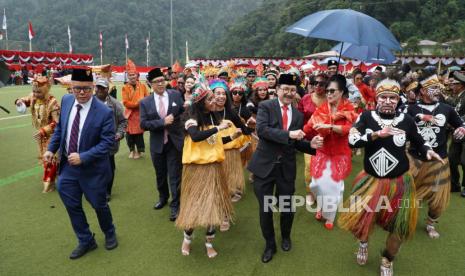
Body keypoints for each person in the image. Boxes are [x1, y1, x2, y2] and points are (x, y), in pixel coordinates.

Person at [338, 78, 442, 275]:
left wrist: (428, 150)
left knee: (400, 227)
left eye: (392, 98)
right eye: (383, 97)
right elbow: (352, 141)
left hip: (400, 183)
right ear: (377, 99)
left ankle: (387, 259)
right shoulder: (366, 117)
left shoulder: (406, 120)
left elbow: (420, 140)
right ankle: (363, 243)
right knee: (364, 221)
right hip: (370, 181)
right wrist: (376, 135)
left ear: (398, 100)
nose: (387, 101)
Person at [247, 73, 323, 263]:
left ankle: (286, 236)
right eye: (285, 89)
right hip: (264, 167)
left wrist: (310, 145)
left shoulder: (297, 114)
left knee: (287, 207)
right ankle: (270, 244)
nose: (289, 93)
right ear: (278, 90)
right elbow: (262, 130)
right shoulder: (266, 106)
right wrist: (289, 134)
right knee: (266, 209)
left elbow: (296, 142)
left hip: (286, 168)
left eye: (292, 90)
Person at [44, 68, 118, 259]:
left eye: (86, 88)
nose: (82, 93)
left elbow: (107, 143)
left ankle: (109, 232)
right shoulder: (67, 101)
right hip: (68, 168)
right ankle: (86, 240)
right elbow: (61, 129)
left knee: (99, 204)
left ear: (93, 87)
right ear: (71, 88)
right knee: (71, 204)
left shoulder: (104, 111)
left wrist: (84, 156)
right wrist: (51, 149)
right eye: (77, 89)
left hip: (93, 170)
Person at [176, 83, 240, 258]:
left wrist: (231, 136)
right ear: (200, 101)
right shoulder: (191, 118)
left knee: (214, 207)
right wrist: (219, 128)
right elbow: (196, 136)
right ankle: (187, 239)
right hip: (196, 170)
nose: (214, 101)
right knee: (193, 207)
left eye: (213, 98)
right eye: (210, 98)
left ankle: (209, 242)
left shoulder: (213, 118)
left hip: (214, 169)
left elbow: (215, 141)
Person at [407, 72, 465, 239]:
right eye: (432, 88)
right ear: (423, 91)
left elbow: (460, 124)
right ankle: (406, 219)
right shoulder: (412, 108)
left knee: (438, 196)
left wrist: (461, 129)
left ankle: (431, 223)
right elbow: (403, 120)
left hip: (439, 159)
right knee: (409, 194)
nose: (436, 91)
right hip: (414, 159)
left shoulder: (447, 109)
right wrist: (420, 116)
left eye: (437, 88)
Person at [303, 74, 357, 230]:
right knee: (316, 184)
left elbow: (349, 129)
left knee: (333, 187)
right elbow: (309, 126)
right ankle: (321, 205)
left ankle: (329, 216)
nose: (329, 94)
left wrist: (331, 126)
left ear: (341, 92)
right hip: (323, 151)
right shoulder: (322, 108)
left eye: (332, 91)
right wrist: (298, 134)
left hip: (340, 153)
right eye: (327, 91)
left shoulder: (349, 109)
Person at [140, 68, 185, 221]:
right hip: (157, 144)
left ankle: (176, 205)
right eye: (157, 82)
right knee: (160, 175)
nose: (160, 84)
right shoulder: (145, 102)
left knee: (175, 175)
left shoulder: (176, 95)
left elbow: (182, 113)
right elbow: (143, 124)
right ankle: (163, 197)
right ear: (150, 84)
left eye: (162, 80)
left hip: (174, 142)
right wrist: (162, 122)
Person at [15, 75, 60, 193]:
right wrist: (19, 101)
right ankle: (56, 176)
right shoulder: (33, 97)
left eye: (39, 92)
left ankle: (49, 183)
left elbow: (57, 122)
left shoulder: (53, 103)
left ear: (45, 90)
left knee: (50, 158)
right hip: (41, 135)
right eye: (34, 91)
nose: (35, 94)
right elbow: (26, 99)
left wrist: (44, 131)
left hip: (52, 135)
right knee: (45, 157)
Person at [94, 78, 127, 202]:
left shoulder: (115, 103)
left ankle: (107, 191)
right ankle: (95, 189)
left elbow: (123, 121)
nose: (100, 90)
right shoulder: (89, 101)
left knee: (108, 168)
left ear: (108, 89)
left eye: (103, 88)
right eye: (98, 87)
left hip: (109, 142)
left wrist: (119, 134)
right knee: (93, 167)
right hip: (93, 141)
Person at [297, 73, 328, 204]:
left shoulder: (331, 99)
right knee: (310, 167)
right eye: (315, 83)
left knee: (325, 168)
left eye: (321, 84)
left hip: (327, 140)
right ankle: (310, 192)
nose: (317, 86)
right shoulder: (305, 98)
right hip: (309, 139)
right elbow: (299, 117)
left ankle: (323, 191)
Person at [122, 59, 149, 159]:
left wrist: (141, 103)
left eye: (134, 75)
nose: (132, 77)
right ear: (128, 77)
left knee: (139, 134)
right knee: (129, 135)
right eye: (130, 75)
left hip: (140, 114)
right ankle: (132, 150)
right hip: (129, 115)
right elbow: (125, 102)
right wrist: (138, 103)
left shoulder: (143, 86)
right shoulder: (125, 87)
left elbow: (146, 99)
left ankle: (139, 151)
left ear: (137, 75)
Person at [446, 71, 465, 195]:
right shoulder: (459, 96)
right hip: (457, 132)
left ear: (461, 85)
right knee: (452, 158)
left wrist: (458, 122)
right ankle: (455, 184)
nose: (452, 86)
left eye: (455, 84)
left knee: (464, 161)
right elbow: (455, 108)